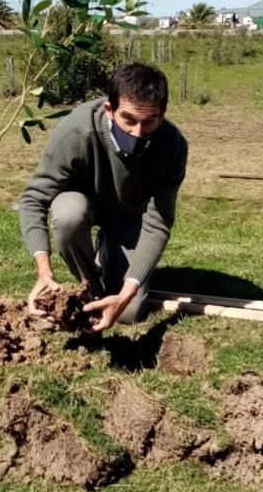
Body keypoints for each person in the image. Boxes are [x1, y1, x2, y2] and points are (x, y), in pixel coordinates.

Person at [18, 62, 188, 331]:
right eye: (129, 120)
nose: (138, 132)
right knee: (67, 214)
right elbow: (33, 199)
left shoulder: (172, 145)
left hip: (132, 214)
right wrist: (43, 270)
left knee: (129, 313)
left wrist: (127, 293)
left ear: (162, 114)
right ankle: (91, 287)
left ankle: (111, 256)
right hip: (85, 204)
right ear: (110, 109)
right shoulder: (76, 131)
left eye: (149, 122)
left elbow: (159, 222)